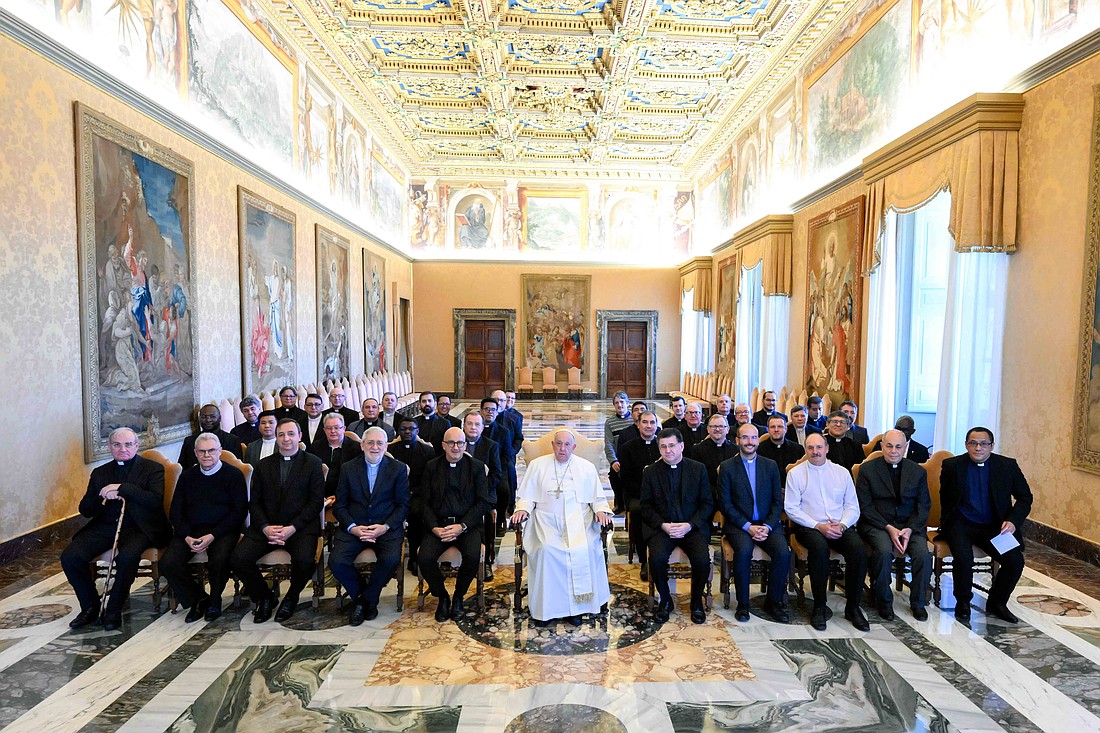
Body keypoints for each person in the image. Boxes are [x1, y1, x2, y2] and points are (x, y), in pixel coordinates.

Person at [62, 428, 172, 630]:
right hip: (106, 527)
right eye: (117, 445)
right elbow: (85, 510)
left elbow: (154, 501)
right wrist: (102, 496)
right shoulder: (100, 473)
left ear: (137, 446)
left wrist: (122, 488)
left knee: (127, 558)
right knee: (70, 557)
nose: (123, 449)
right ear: (109, 447)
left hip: (140, 528)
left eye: (128, 444)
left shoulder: (153, 469)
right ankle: (90, 607)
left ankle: (113, 609)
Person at [510, 430, 614, 626]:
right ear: (552, 445)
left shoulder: (586, 467)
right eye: (558, 444)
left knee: (579, 549)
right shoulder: (538, 466)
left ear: (574, 447)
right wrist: (522, 510)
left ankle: (575, 609)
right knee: (546, 551)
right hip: (545, 522)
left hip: (580, 523)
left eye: (567, 445)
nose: (562, 448)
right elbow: (527, 497)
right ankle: (545, 610)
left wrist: (601, 511)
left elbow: (597, 498)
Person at [230, 418, 325, 624]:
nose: (286, 439)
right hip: (267, 527)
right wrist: (265, 527)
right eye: (281, 434)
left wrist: (292, 527)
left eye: (291, 434)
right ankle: (264, 596)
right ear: (276, 437)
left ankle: (292, 596)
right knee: (238, 558)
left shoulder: (313, 463)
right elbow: (254, 502)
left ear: (299, 436)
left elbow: (315, 502)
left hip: (299, 527)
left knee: (305, 560)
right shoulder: (263, 466)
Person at [940, 427, 1032, 623]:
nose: (978, 448)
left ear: (991, 445)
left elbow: (1025, 498)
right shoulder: (952, 466)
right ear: (966, 445)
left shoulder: (1007, 466)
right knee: (964, 559)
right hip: (961, 524)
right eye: (973, 443)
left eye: (983, 443)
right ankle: (963, 602)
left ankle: (997, 602)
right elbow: (945, 499)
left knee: (1015, 560)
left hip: (995, 527)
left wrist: (1014, 521)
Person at [785, 433, 869, 632]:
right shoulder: (796, 474)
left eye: (819, 447)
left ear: (827, 449)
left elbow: (852, 506)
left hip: (839, 525)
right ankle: (819, 606)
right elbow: (791, 508)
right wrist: (817, 525)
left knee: (858, 550)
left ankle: (853, 607)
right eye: (811, 448)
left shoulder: (841, 473)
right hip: (809, 526)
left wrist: (842, 525)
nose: (815, 452)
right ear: (805, 449)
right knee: (820, 550)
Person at [160, 433, 247, 623]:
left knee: (219, 559)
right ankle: (198, 599)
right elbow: (176, 511)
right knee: (168, 563)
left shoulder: (234, 475)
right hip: (190, 532)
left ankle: (215, 600)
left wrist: (213, 535)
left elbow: (238, 513)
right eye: (202, 451)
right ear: (195, 453)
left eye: (211, 450)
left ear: (220, 452)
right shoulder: (187, 476)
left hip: (222, 531)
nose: (207, 455)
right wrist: (186, 536)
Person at [330, 427, 410, 625]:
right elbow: (340, 505)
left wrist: (385, 527)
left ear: (385, 446)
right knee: (336, 562)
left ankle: (364, 600)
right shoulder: (348, 468)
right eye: (371, 443)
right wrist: (353, 527)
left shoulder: (398, 468)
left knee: (391, 559)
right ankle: (366, 599)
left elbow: (403, 505)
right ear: (362, 445)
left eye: (380, 443)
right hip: (355, 527)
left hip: (385, 529)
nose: (375, 447)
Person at [856, 429, 932, 622]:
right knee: (883, 550)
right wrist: (889, 528)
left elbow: (924, 506)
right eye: (889, 446)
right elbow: (865, 507)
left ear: (905, 447)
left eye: (898, 446)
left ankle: (918, 603)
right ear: (882, 446)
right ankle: (883, 601)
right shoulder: (867, 470)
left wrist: (909, 529)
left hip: (910, 527)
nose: (893, 451)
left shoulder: (918, 471)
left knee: (923, 554)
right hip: (878, 524)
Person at [419, 427, 494, 621]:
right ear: (443, 445)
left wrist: (462, 526)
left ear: (465, 445)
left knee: (472, 555)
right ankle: (442, 596)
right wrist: (435, 527)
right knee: (425, 558)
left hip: (466, 526)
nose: (455, 447)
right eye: (451, 443)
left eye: (460, 443)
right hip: (439, 526)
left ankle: (459, 597)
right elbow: (423, 502)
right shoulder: (431, 467)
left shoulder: (476, 467)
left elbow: (483, 502)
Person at [718, 423, 790, 623]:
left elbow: (777, 501)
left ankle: (773, 603)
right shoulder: (727, 467)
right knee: (743, 552)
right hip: (739, 525)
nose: (750, 442)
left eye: (754, 438)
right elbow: (725, 504)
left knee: (783, 552)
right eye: (745, 438)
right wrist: (747, 526)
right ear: (738, 440)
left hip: (768, 524)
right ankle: (743, 605)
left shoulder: (770, 465)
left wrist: (767, 526)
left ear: (759, 440)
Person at [639, 428, 713, 624]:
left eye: (672, 445)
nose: (668, 450)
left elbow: (707, 503)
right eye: (663, 447)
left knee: (701, 559)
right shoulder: (650, 471)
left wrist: (689, 525)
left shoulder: (698, 469)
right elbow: (645, 506)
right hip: (663, 529)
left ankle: (696, 601)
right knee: (656, 558)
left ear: (681, 446)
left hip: (691, 528)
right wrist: (663, 525)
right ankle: (665, 600)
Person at [389, 415, 436, 574]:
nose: (407, 432)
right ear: (398, 431)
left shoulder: (428, 451)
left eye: (411, 429)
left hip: (418, 494)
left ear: (417, 431)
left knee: (417, 514)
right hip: (395, 495)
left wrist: (414, 491)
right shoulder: (391, 451)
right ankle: (392, 557)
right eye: (403, 429)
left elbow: (429, 479)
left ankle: (416, 557)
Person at [619, 410, 661, 579]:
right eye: (645, 422)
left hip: (660, 495)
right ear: (638, 425)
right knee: (638, 511)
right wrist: (646, 495)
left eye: (652, 422)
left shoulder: (664, 445)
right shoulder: (628, 448)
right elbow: (626, 479)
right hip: (636, 494)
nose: (649, 426)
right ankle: (644, 560)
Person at [463, 411, 502, 576]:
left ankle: (485, 561)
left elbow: (496, 474)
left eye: (477, 424)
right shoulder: (456, 442)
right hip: (458, 495)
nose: (473, 428)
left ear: (482, 427)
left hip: (483, 494)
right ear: (463, 426)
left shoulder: (491, 445)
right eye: (469, 424)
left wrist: (480, 491)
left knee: (485, 517)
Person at [481, 397, 516, 531]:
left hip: (498, 469)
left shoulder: (503, 431)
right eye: (487, 409)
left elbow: (507, 455)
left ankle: (500, 519)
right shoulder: (476, 427)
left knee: (503, 490)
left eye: (493, 410)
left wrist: (494, 469)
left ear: (497, 412)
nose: (490, 412)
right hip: (478, 469)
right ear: (481, 410)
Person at [308, 412, 360, 499]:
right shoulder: (316, 446)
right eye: (329, 428)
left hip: (347, 495)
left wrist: (339, 496)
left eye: (336, 428)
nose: (332, 431)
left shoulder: (356, 448)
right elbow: (312, 474)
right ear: (324, 430)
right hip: (321, 495)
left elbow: (356, 478)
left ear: (343, 429)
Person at [179, 403, 241, 471]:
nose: (208, 420)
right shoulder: (189, 441)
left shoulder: (232, 441)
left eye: (212, 417)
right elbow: (182, 469)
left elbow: (238, 470)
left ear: (219, 418)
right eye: (204, 417)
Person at [492, 389, 523, 517]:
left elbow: (518, 439)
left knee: (510, 473)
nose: (499, 403)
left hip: (506, 458)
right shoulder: (483, 418)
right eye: (497, 400)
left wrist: (511, 454)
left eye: (502, 400)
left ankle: (509, 506)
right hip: (488, 457)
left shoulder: (513, 419)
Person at [690, 413, 738, 497]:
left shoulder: (736, 450)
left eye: (721, 426)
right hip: (707, 494)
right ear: (708, 429)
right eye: (714, 426)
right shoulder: (697, 449)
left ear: (728, 429)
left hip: (731, 494)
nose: (717, 429)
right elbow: (696, 477)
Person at [603, 391, 634, 512]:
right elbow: (608, 443)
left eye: (622, 402)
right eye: (616, 403)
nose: (620, 405)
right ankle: (619, 503)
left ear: (627, 403)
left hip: (633, 457)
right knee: (614, 477)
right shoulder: (610, 422)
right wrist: (613, 461)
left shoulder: (635, 420)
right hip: (618, 459)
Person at [757, 415, 805, 485]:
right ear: (768, 430)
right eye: (772, 427)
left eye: (780, 426)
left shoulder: (798, 449)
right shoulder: (759, 449)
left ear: (786, 429)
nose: (776, 430)